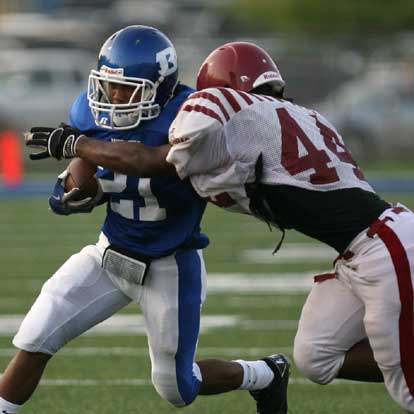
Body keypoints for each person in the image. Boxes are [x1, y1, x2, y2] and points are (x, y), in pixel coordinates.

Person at [29, 40, 414, 413]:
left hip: (380, 246)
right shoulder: (307, 117)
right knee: (317, 356)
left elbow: (150, 161)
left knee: (404, 380)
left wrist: (75, 145)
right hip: (367, 245)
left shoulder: (221, 102)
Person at [9, 30, 290, 414]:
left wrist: (77, 145)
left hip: (169, 264)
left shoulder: (191, 118)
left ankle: (265, 373)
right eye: (109, 86)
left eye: (126, 89)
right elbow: (88, 169)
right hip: (109, 255)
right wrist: (75, 192)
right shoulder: (94, 110)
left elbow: (144, 161)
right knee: (37, 333)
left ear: (159, 87)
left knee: (177, 388)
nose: (114, 98)